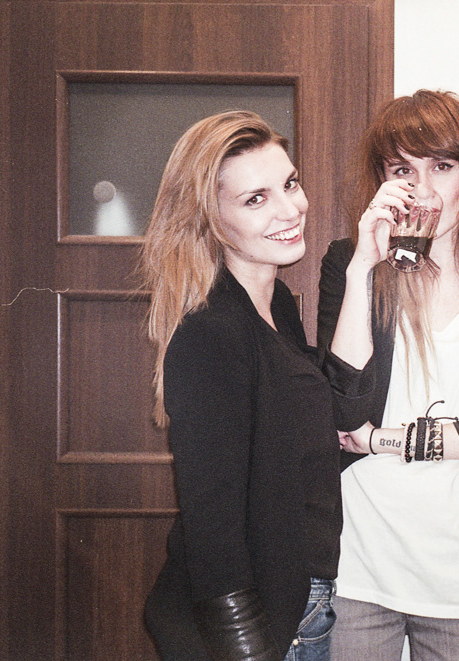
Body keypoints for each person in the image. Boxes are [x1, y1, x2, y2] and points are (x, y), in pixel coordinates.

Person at [316, 90, 459, 661]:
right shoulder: (350, 263)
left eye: (441, 167)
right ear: (382, 181)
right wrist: (362, 269)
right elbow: (344, 411)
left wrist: (382, 441)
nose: (423, 190)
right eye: (403, 170)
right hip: (360, 570)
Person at [141, 110, 342, 661]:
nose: (291, 209)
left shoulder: (276, 307)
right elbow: (212, 525)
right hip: (267, 620)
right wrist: (248, 649)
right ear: (210, 219)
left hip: (302, 598)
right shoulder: (213, 330)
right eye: (256, 199)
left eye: (290, 184)